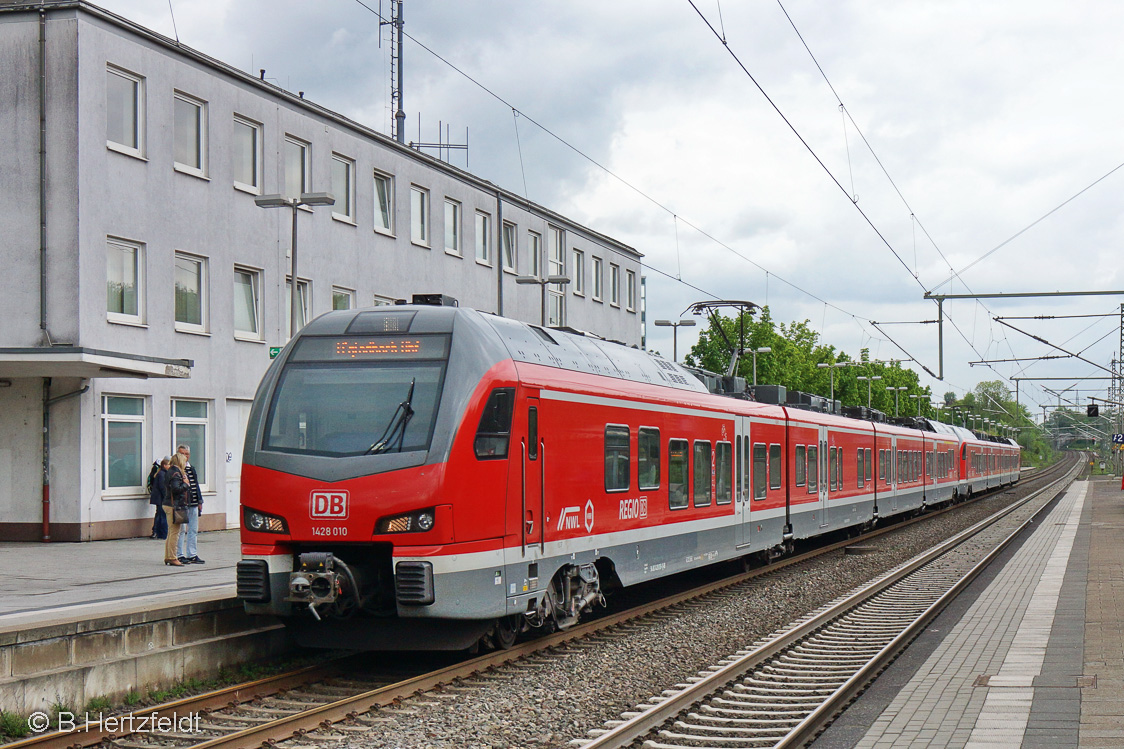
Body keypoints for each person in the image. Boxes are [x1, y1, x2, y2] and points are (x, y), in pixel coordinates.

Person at [175, 444, 205, 564]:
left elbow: (195, 485)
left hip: (193, 503)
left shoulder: (191, 468)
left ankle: (192, 554)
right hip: (182, 504)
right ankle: (179, 554)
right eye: (182, 454)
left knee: (193, 529)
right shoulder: (176, 469)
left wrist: (199, 500)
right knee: (181, 530)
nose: (185, 456)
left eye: (186, 454)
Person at [164, 454, 190, 566]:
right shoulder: (176, 473)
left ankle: (168, 556)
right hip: (174, 505)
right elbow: (176, 489)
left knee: (171, 532)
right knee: (175, 532)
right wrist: (186, 484)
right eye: (184, 461)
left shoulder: (170, 471)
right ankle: (172, 557)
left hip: (168, 503)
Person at [148, 457, 171, 540]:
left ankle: (157, 532)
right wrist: (167, 496)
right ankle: (160, 533)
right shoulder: (162, 474)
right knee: (161, 515)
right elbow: (163, 487)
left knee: (159, 514)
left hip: (159, 498)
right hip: (160, 498)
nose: (170, 466)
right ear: (164, 465)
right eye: (169, 464)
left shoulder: (162, 473)